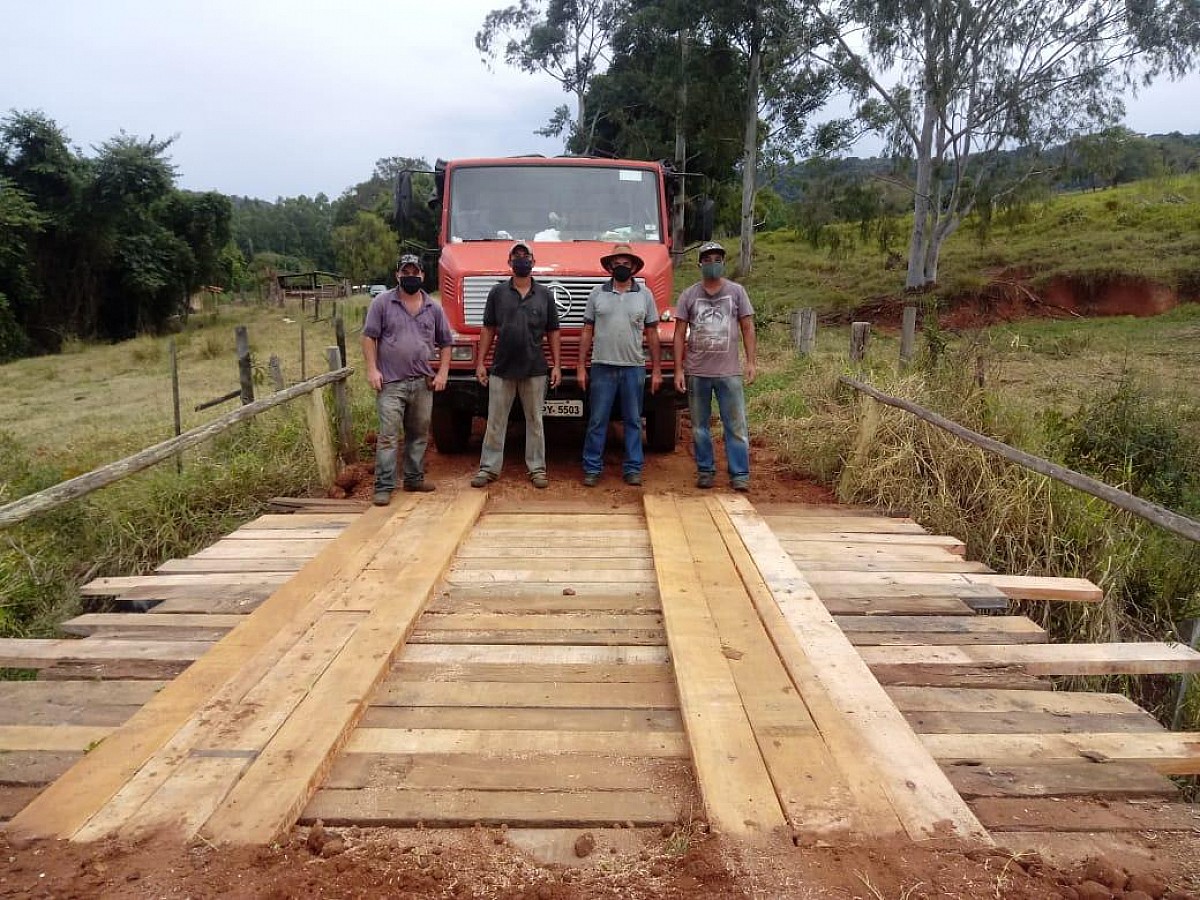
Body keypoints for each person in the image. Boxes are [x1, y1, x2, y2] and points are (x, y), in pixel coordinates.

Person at [470, 241, 562, 489]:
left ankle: (537, 469)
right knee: (495, 421)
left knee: (535, 421)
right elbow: (488, 328)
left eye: (526, 255)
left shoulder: (544, 295)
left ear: (533, 260)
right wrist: (481, 362)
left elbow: (553, 331)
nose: (521, 259)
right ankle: (488, 468)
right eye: (517, 256)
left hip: (535, 369)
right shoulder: (497, 293)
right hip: (502, 368)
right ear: (509, 262)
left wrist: (556, 365)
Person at [362, 254, 452, 505]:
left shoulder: (433, 307)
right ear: (397, 275)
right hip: (391, 382)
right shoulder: (382, 303)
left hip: (423, 382)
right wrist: (372, 369)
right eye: (406, 272)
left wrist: (443, 371)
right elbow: (369, 337)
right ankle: (384, 486)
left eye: (415, 272)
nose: (410, 276)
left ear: (423, 276)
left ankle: (414, 478)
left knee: (419, 432)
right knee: (389, 435)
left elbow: (446, 342)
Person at [673, 241, 757, 491]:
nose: (713, 264)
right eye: (707, 259)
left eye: (717, 259)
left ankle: (740, 474)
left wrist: (751, 361)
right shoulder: (689, 295)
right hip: (697, 372)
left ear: (724, 263)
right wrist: (678, 369)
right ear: (700, 264)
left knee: (736, 425)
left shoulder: (737, 292)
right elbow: (679, 334)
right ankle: (705, 470)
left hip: (729, 372)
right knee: (699, 426)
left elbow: (747, 326)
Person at [578, 242, 662, 487]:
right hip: (602, 366)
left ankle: (633, 468)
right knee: (597, 419)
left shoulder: (645, 295)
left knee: (633, 420)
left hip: (634, 367)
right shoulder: (597, 294)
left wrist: (656, 369)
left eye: (627, 263)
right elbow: (587, 331)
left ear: (634, 267)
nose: (622, 266)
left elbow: (652, 334)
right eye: (618, 263)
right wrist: (581, 366)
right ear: (610, 266)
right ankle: (592, 467)